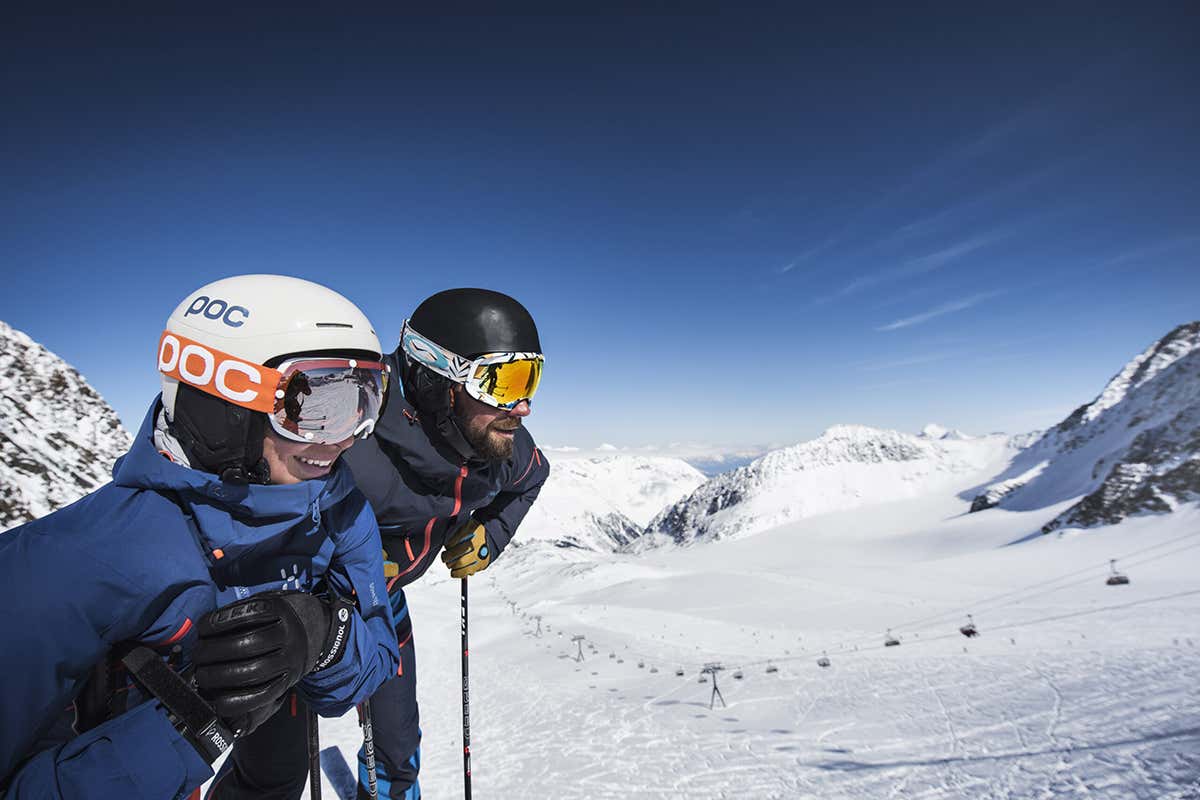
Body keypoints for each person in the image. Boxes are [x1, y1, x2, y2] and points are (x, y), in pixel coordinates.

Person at [0, 274, 400, 799]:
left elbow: (376, 661)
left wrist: (324, 635)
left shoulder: (339, 508)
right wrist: (193, 725)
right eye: (316, 406)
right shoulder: (59, 569)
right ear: (225, 403)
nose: (345, 436)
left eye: (364, 402)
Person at [222, 288, 551, 799]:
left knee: (396, 747)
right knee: (274, 772)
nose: (523, 405)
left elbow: (531, 479)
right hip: (293, 609)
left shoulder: (500, 446)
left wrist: (490, 533)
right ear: (441, 377)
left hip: (381, 605)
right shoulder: (344, 431)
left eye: (530, 378)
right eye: (503, 382)